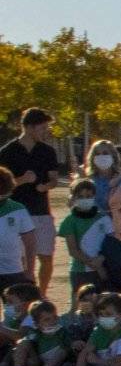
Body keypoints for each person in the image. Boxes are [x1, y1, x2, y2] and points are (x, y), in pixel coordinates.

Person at [0, 109, 62, 300]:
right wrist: (22, 180)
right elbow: (2, 186)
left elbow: (54, 178)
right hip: (14, 212)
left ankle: (40, 296)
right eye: (43, 128)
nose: (46, 132)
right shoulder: (7, 152)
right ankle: (19, 296)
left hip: (40, 211)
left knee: (46, 256)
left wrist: (47, 186)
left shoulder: (47, 151)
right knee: (21, 259)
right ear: (28, 127)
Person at [57, 176, 102, 302]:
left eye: (89, 196)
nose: (85, 199)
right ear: (73, 198)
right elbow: (73, 250)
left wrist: (101, 263)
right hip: (79, 270)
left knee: (100, 302)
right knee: (79, 302)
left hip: (102, 268)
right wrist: (93, 264)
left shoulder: (103, 218)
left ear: (94, 196)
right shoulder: (69, 221)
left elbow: (110, 245)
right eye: (80, 197)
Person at [0, 168, 33, 297]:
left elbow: (30, 243)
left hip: (13, 270)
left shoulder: (18, 209)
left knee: (14, 313)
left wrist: (29, 271)